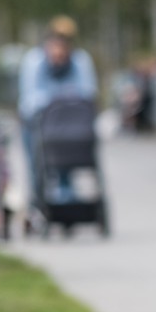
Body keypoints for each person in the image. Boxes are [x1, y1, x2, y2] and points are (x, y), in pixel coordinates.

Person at [18, 15, 98, 204]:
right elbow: (30, 101)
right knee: (37, 165)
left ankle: (66, 198)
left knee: (71, 150)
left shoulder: (80, 61)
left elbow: (88, 93)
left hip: (69, 128)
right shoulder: (34, 62)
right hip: (38, 126)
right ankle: (39, 200)